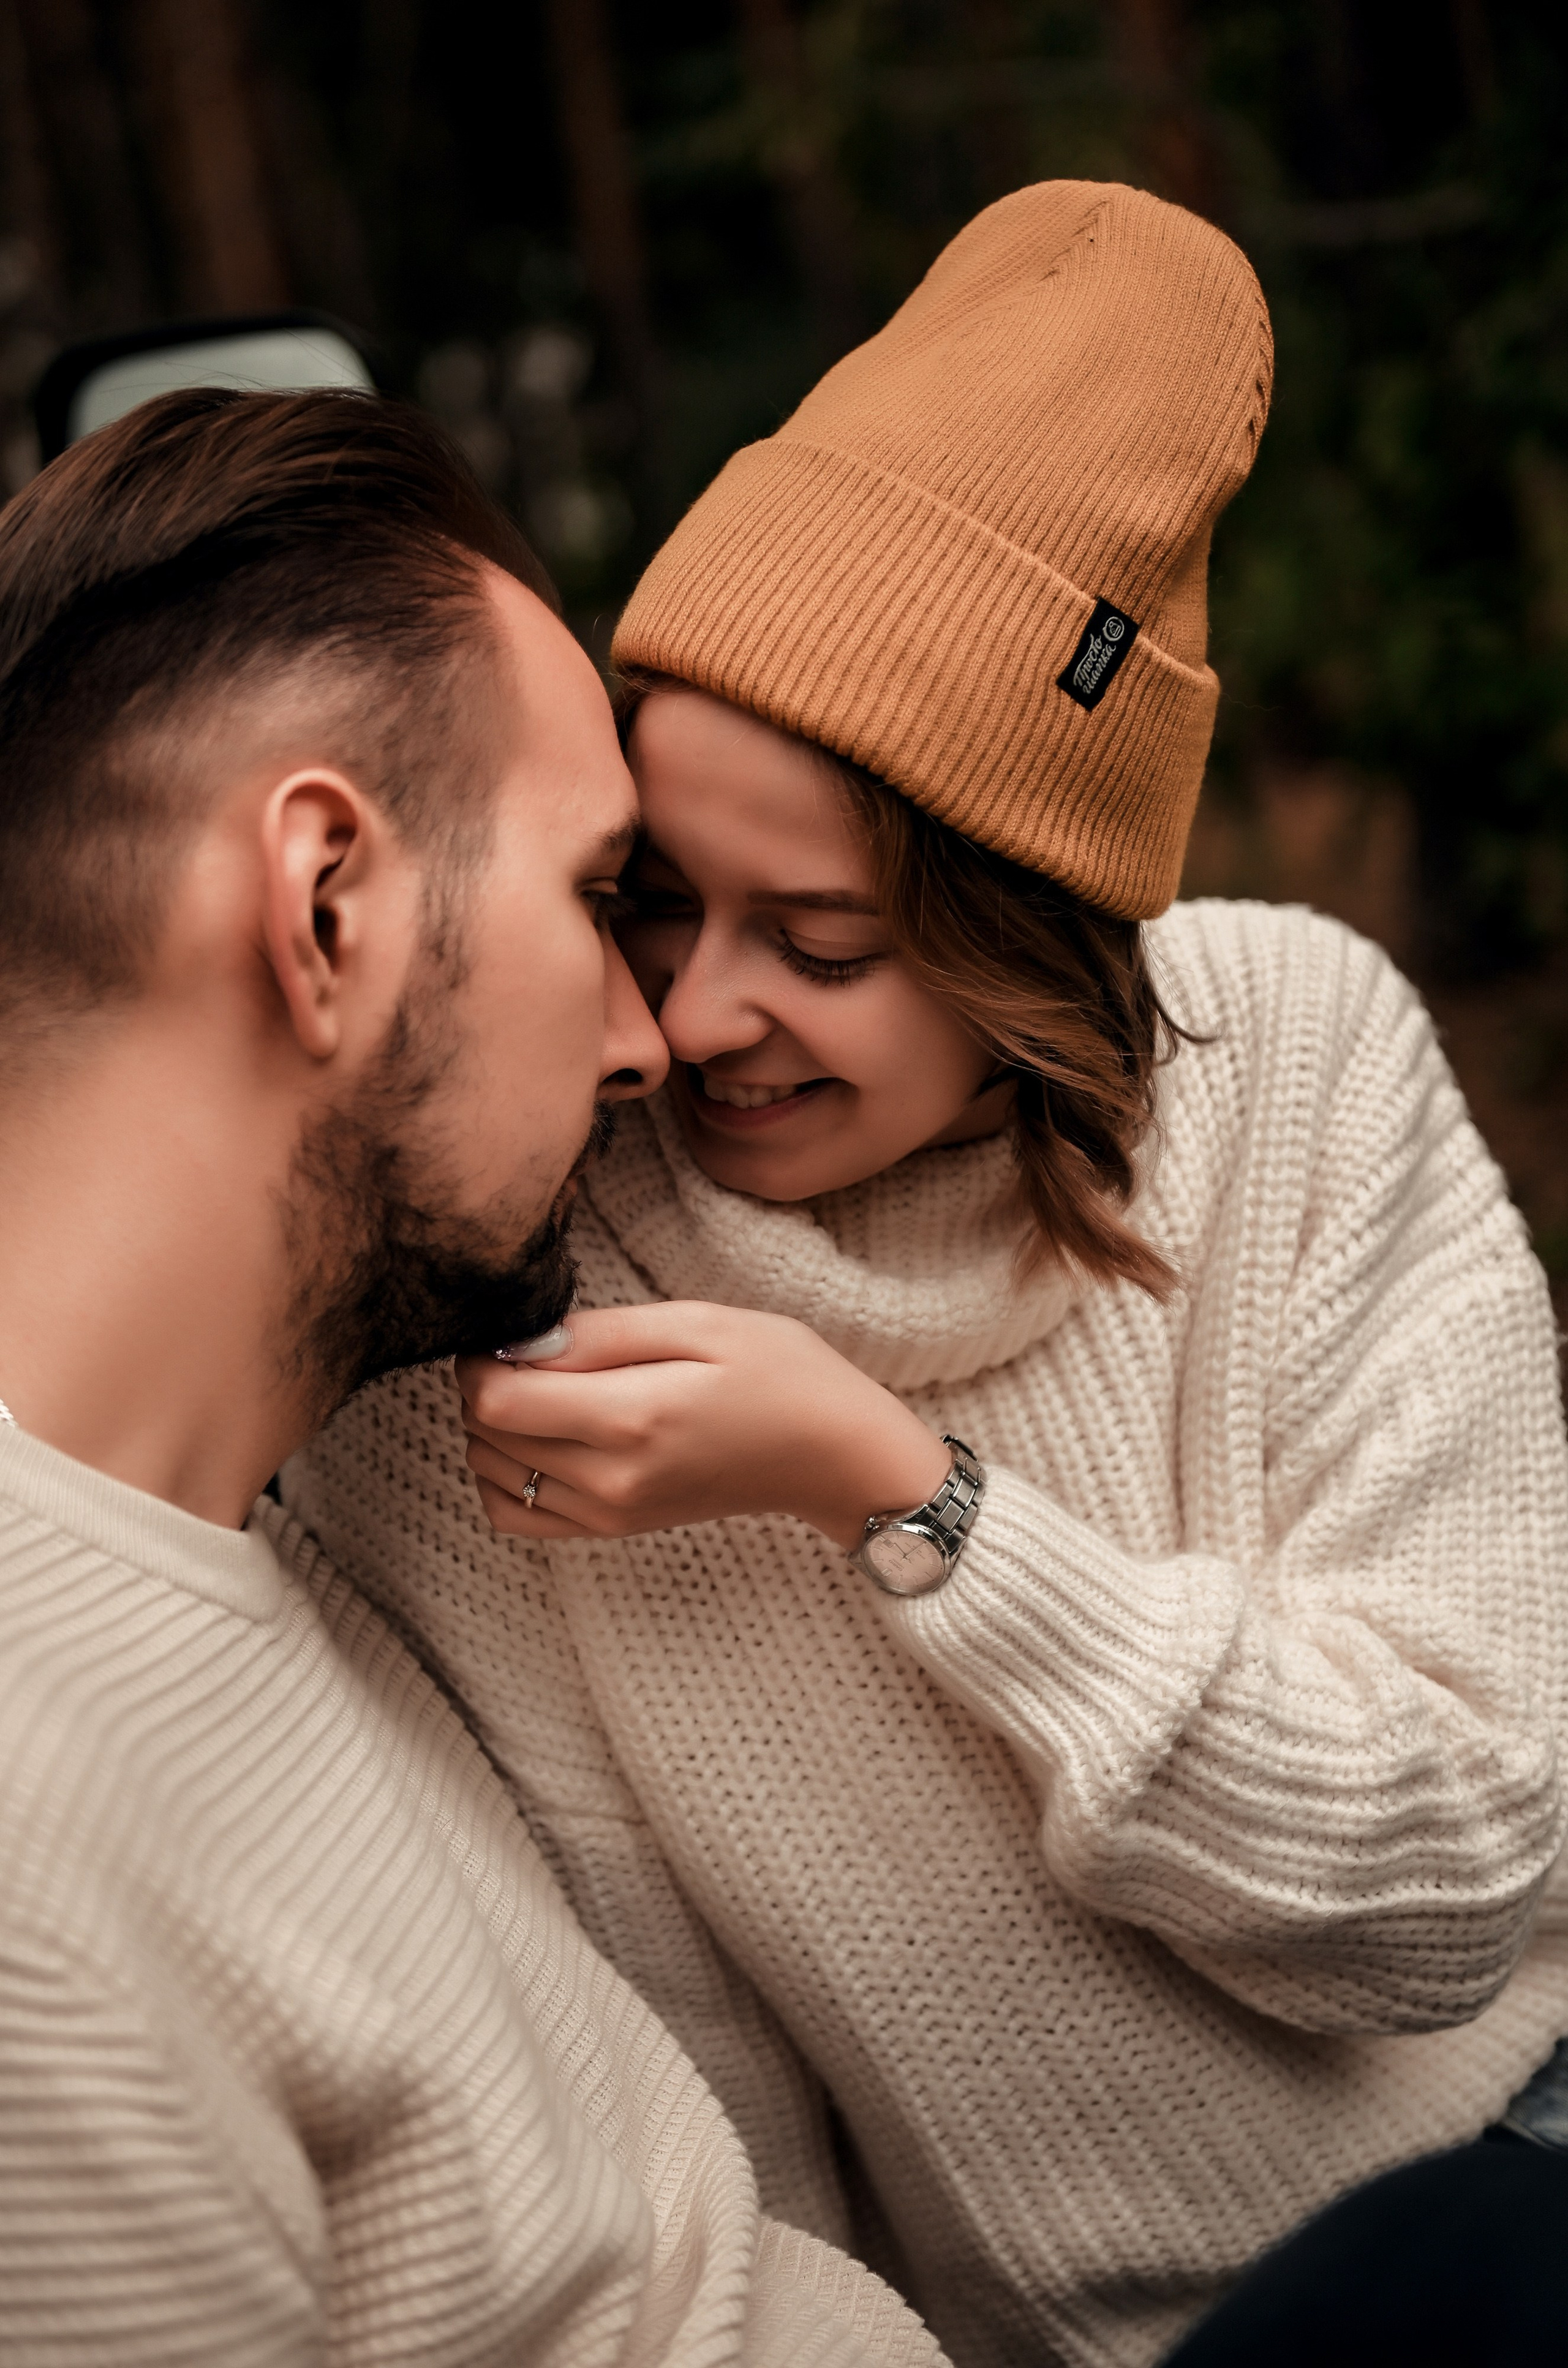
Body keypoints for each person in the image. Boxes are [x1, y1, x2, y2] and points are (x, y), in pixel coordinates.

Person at [287, 184, 1568, 2366]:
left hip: (1505, 2190)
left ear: (1034, 938)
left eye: (830, 944)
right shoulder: (531, 1263)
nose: (693, 1023)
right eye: (662, 899)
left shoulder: (1299, 1064)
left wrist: (909, 1499)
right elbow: (694, 2090)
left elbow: (1450, 1887)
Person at [0, 386, 948, 2368]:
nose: (648, 1040)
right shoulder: (35, 1905)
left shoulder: (252, 1556)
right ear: (325, 904)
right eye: (603, 896)